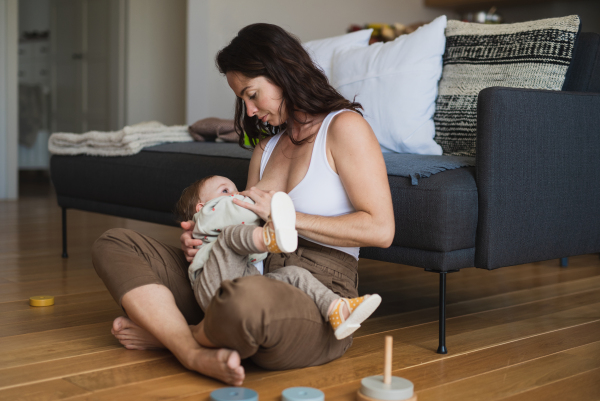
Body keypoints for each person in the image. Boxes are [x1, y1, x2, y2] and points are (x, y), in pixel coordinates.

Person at [92, 23, 394, 387]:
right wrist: (203, 241)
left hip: (315, 293)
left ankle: (170, 334)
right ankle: (190, 348)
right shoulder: (265, 150)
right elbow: (243, 234)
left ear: (282, 72)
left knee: (245, 302)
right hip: (244, 273)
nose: (249, 112)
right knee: (115, 243)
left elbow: (381, 229)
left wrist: (288, 219)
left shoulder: (344, 127)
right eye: (242, 100)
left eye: (252, 94)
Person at [176, 174, 382, 339]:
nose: (235, 194)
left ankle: (337, 309)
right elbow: (239, 216)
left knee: (294, 274)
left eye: (235, 189)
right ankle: (269, 237)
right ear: (201, 208)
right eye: (225, 191)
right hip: (213, 285)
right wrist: (272, 211)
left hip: (244, 288)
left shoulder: (225, 212)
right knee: (231, 235)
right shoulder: (211, 212)